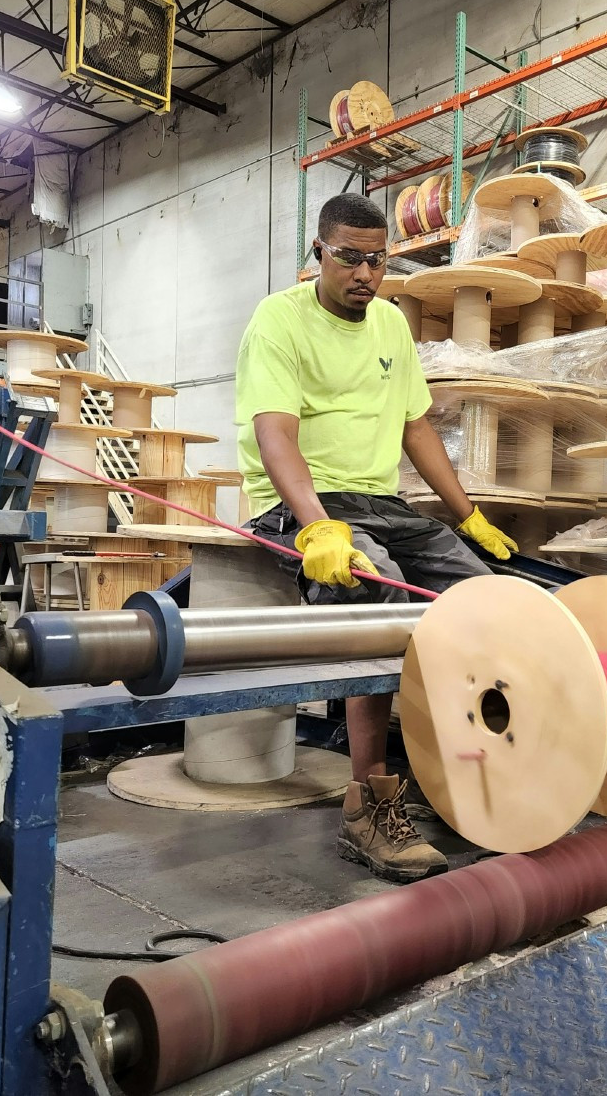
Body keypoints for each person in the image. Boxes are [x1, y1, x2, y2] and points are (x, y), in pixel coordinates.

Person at [234, 192, 518, 884]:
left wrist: (468, 516)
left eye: (376, 259)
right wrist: (317, 526)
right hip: (303, 501)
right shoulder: (278, 320)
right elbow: (276, 433)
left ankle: (462, 762)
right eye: (348, 258)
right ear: (318, 255)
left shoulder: (391, 326)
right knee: (380, 602)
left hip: (380, 501)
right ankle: (369, 808)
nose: (364, 273)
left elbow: (416, 427)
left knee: (491, 601)